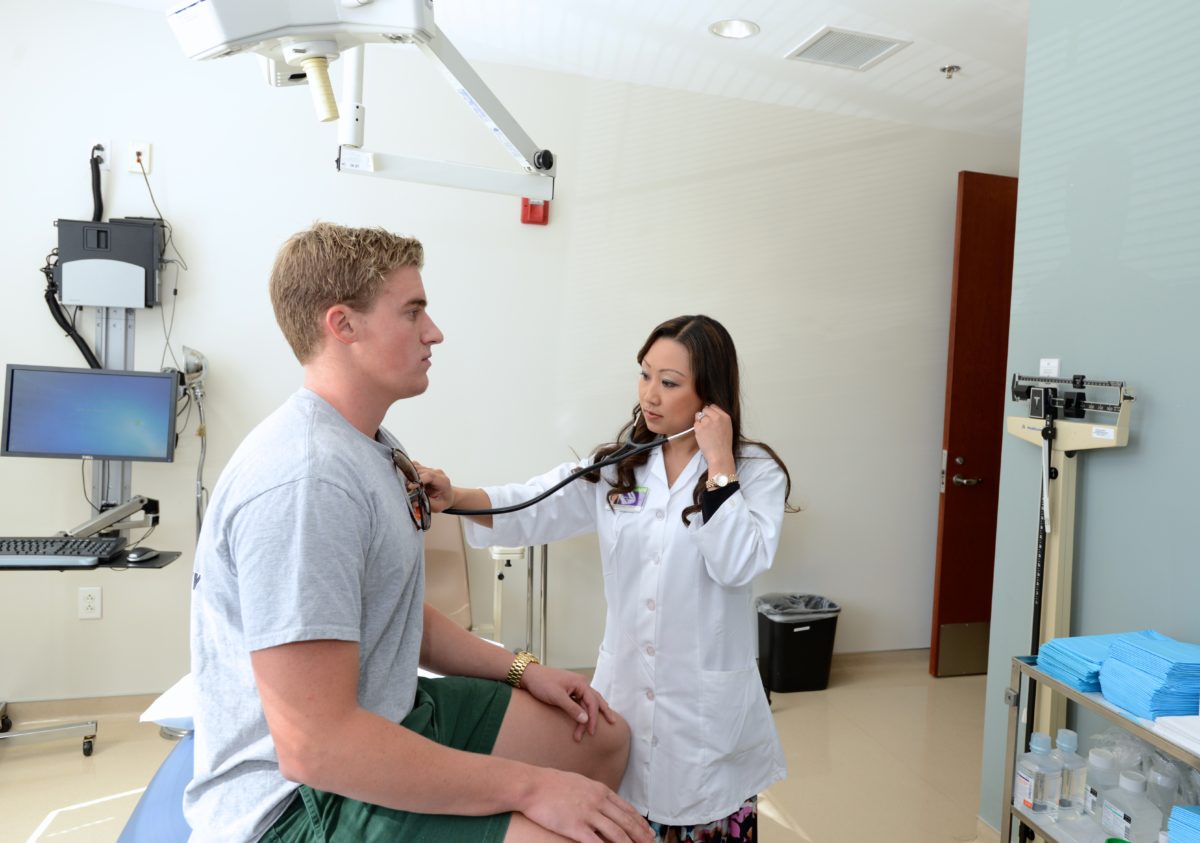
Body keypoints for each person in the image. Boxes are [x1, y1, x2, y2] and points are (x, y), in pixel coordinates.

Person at [184, 222, 655, 843]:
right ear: (342, 326)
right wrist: (534, 788)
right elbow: (314, 748)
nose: (434, 332)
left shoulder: (372, 445)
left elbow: (389, 606)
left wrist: (521, 667)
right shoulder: (306, 483)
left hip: (392, 714)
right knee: (575, 832)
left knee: (598, 739)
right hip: (299, 803)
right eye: (413, 312)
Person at [423, 314, 793, 839]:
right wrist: (453, 497)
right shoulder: (622, 468)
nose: (650, 394)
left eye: (669, 382)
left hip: (707, 711)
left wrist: (719, 463)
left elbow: (737, 563)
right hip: (625, 697)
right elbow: (530, 505)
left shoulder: (753, 471)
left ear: (710, 393)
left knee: (703, 813)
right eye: (645, 375)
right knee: (620, 819)